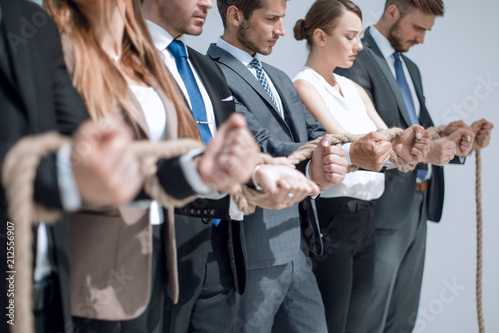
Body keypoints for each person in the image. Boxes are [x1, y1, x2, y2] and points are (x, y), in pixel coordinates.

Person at [205, 0, 431, 331]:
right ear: (235, 15)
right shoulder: (212, 74)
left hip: (300, 243)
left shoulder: (278, 78)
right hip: (253, 251)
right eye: (271, 19)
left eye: (282, 19)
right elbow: (264, 145)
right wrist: (355, 154)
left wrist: (391, 147)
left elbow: (316, 136)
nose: (282, 30)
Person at [43, 0, 263, 332]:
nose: (207, 2)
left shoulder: (148, 62)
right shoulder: (58, 50)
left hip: (161, 238)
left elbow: (156, 159)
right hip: (92, 253)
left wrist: (222, 172)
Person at [141, 0, 320, 332]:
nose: (207, 2)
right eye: (271, 19)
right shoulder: (120, 58)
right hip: (159, 239)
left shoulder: (201, 67)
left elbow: (237, 149)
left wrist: (255, 176)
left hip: (224, 240)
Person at [335, 0, 493, 332]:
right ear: (392, 11)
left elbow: (424, 132)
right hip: (380, 211)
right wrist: (425, 151)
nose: (422, 39)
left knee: (403, 317)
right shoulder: (355, 60)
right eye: (418, 28)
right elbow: (363, 140)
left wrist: (461, 141)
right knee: (368, 319)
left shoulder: (410, 69)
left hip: (417, 206)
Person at [0, 1, 144, 332]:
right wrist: (67, 174)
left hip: (48, 291)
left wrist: (198, 169)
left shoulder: (32, 22)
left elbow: (85, 144)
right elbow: (70, 165)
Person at [292, 1, 430, 332]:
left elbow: (388, 143)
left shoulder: (352, 88)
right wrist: (390, 146)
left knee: (358, 325)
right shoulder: (303, 85)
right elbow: (344, 144)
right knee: (334, 323)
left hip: (366, 216)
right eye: (351, 36)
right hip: (333, 217)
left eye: (359, 36)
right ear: (321, 37)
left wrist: (410, 142)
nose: (360, 45)